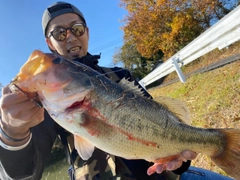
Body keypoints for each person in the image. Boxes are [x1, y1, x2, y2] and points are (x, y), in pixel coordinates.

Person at [0, 2, 233, 180]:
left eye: (77, 28)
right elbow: (22, 175)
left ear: (87, 33)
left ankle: (219, 142)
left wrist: (179, 162)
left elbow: (165, 130)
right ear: (50, 43)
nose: (70, 36)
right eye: (60, 33)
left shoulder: (121, 76)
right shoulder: (42, 103)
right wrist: (13, 133)